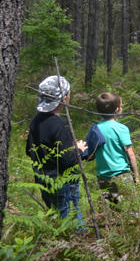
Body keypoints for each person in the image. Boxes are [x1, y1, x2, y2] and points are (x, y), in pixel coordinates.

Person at [26, 76, 87, 228]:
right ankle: (79, 243)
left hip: (44, 181)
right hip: (64, 183)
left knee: (59, 219)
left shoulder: (36, 120)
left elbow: (30, 150)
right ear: (65, 97)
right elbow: (67, 160)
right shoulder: (60, 125)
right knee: (72, 219)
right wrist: (78, 150)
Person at [82, 93, 139, 205]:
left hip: (103, 176)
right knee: (130, 209)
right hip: (122, 175)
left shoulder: (95, 129)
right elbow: (130, 154)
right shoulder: (121, 128)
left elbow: (90, 152)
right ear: (117, 110)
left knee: (110, 211)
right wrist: (136, 175)